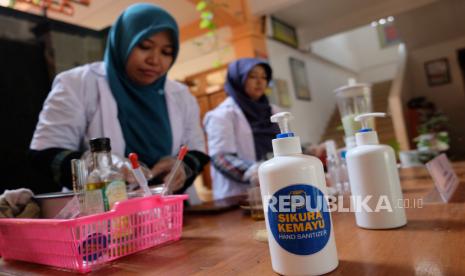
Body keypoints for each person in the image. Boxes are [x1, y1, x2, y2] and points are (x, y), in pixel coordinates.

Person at [29, 3, 209, 194]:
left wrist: (183, 168)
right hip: (100, 212)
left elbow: (197, 150)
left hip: (167, 210)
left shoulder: (181, 95)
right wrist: (98, 167)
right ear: (123, 42)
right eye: (144, 46)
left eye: (166, 52)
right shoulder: (78, 84)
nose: (155, 60)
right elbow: (45, 154)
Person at [203, 58, 280, 200]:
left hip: (277, 190)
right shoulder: (222, 115)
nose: (260, 82)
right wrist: (253, 172)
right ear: (238, 79)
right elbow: (221, 157)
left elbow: (283, 144)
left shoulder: (274, 111)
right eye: (252, 76)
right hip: (238, 197)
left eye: (264, 77)